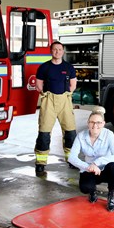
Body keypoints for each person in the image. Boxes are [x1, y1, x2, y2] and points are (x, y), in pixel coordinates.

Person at [34, 41, 77, 176]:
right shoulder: (44, 67)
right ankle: (41, 162)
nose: (57, 52)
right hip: (48, 102)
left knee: (70, 132)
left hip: (65, 101)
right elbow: (38, 85)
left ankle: (71, 159)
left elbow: (73, 85)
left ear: (63, 52)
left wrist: (65, 95)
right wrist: (45, 95)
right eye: (54, 49)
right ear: (51, 51)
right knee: (44, 133)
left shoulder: (69, 67)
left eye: (59, 49)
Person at [69, 106, 114, 212]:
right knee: (85, 188)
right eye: (92, 122)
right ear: (88, 123)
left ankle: (111, 194)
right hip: (90, 170)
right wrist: (89, 167)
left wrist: (97, 163)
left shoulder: (109, 134)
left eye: (98, 122)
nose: (95, 125)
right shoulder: (81, 136)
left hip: (105, 170)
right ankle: (92, 191)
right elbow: (71, 157)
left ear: (103, 123)